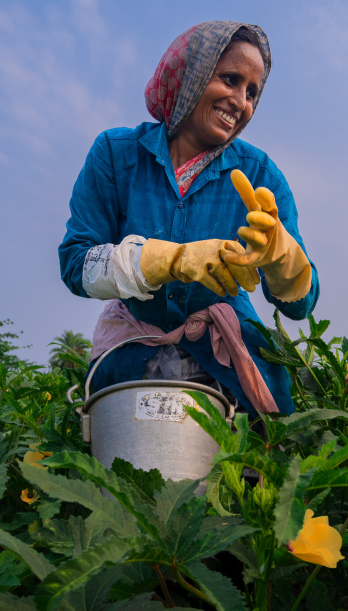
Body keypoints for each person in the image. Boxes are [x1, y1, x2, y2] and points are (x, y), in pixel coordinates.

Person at [59, 21, 318, 417]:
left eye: (252, 92)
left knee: (248, 455)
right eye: (230, 79)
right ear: (189, 76)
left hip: (230, 365)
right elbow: (76, 265)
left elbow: (301, 307)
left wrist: (283, 260)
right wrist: (165, 260)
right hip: (130, 358)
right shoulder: (115, 153)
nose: (240, 101)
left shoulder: (261, 175)